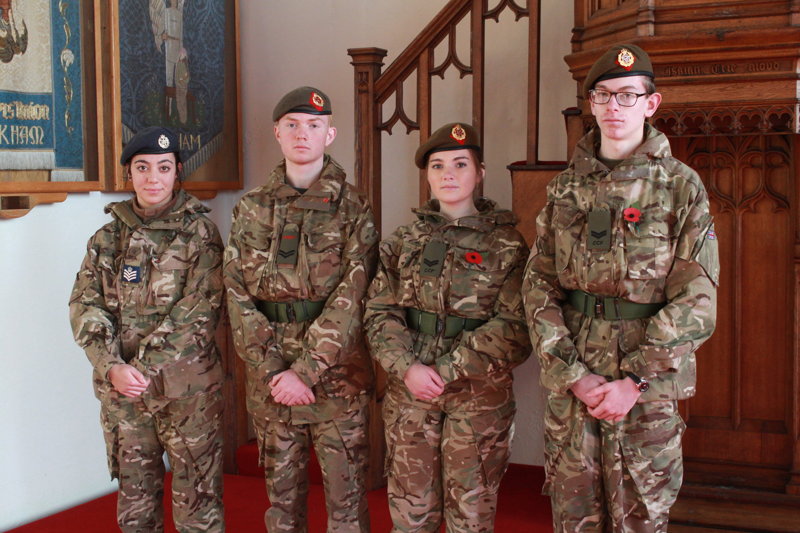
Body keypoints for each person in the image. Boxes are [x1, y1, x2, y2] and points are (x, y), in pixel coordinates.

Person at [522, 44, 720, 532]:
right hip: (576, 386)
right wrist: (572, 373)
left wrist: (635, 381)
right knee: (574, 517)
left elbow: (697, 300)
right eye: (603, 95)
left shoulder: (680, 187)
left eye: (627, 96)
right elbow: (538, 284)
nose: (614, 107)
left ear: (651, 104)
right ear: (590, 103)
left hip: (645, 391)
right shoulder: (565, 188)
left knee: (641, 518)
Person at [223, 86, 378, 532]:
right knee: (281, 502)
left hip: (335, 373)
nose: (302, 134)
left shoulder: (353, 207)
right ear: (277, 132)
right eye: (291, 125)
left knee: (346, 502)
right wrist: (273, 370)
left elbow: (355, 294)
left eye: (313, 125)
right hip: (269, 373)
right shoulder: (252, 207)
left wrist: (305, 371)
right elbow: (235, 289)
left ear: (330, 134)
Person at [364, 122, 531, 532]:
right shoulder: (403, 241)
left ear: (480, 172)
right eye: (437, 166)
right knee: (410, 511)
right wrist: (406, 367)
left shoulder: (507, 244)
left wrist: (447, 369)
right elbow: (378, 312)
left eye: (460, 164)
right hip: (412, 392)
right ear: (428, 175)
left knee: (470, 515)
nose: (449, 174)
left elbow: (516, 326)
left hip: (478, 394)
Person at [69, 126, 226, 532]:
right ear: (129, 174)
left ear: (177, 173)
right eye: (142, 168)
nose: (153, 178)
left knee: (198, 505)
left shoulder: (201, 235)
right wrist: (111, 366)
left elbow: (201, 311)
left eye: (163, 167)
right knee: (136, 505)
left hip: (186, 392)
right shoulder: (106, 239)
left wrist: (141, 367)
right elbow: (86, 305)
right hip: (124, 395)